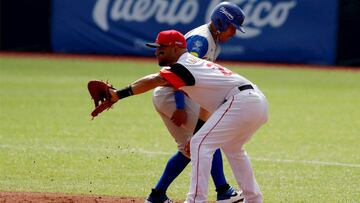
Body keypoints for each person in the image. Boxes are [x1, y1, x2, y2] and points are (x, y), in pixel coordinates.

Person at [109, 29, 268, 203]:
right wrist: (198, 131)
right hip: (256, 102)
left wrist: (118, 94)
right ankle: (253, 199)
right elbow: (206, 107)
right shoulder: (195, 65)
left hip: (242, 101)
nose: (157, 51)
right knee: (233, 149)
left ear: (175, 49)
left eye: (161, 48)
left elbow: (154, 80)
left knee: (200, 144)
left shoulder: (184, 65)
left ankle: (195, 200)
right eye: (156, 48)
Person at [148, 2, 246, 203]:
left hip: (172, 95)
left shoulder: (210, 40)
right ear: (220, 23)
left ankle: (157, 195)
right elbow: (179, 71)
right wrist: (180, 106)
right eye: (232, 27)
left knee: (189, 148)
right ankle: (223, 191)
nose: (234, 33)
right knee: (210, 137)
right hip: (174, 96)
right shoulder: (200, 41)